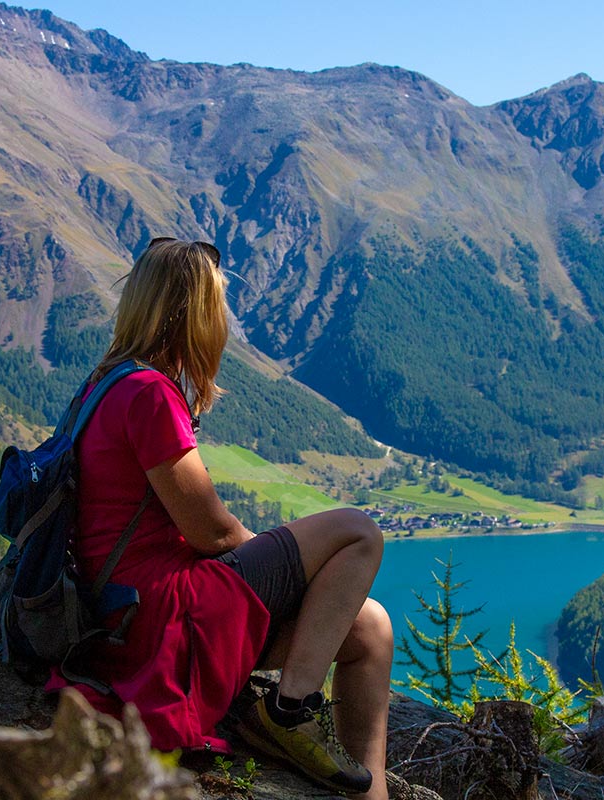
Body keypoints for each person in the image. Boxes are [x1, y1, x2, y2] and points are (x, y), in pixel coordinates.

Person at [54, 237, 392, 798]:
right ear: (194, 314)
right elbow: (209, 531)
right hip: (161, 614)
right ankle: (288, 712)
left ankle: (370, 793)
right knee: (358, 532)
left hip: (122, 608)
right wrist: (281, 562)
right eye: (218, 306)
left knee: (369, 628)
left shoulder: (107, 381)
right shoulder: (149, 395)